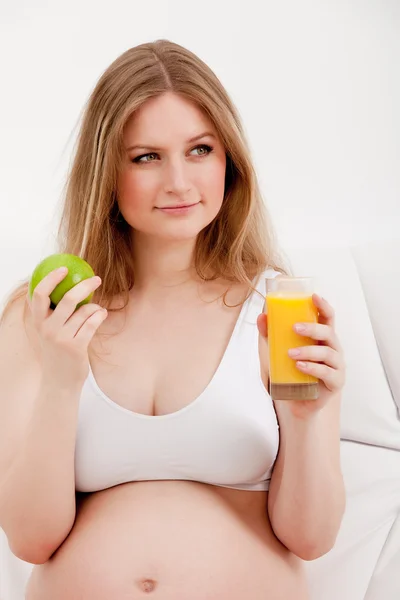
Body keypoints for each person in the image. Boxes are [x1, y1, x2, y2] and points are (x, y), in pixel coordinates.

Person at [0, 39, 346, 599]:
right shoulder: (43, 316)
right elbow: (30, 540)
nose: (180, 182)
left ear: (230, 159)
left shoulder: (279, 310)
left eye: (200, 150)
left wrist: (306, 424)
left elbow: (311, 538)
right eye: (146, 157)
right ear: (106, 172)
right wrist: (63, 381)